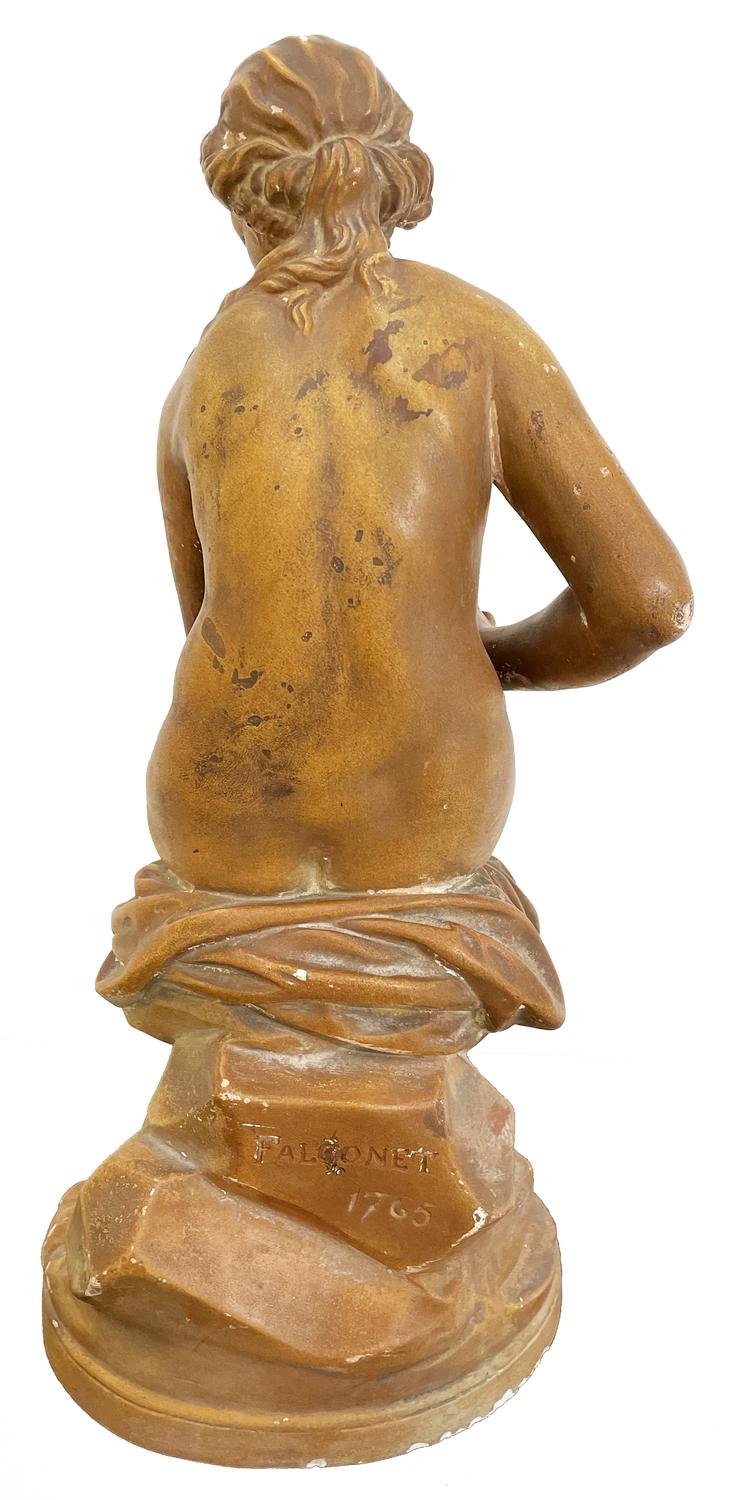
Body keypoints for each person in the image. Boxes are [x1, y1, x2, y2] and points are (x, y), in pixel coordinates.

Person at [148, 34, 691, 898]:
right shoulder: (477, 336)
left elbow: (217, 627)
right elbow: (649, 604)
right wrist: (492, 655)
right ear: (397, 179)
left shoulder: (199, 379)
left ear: (242, 196)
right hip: (423, 816)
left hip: (213, 822)